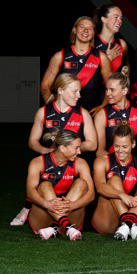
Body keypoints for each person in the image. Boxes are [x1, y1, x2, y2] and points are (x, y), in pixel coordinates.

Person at [11, 74, 98, 227]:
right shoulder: (43, 112)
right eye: (75, 91)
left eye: (79, 91)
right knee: (42, 185)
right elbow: (32, 141)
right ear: (61, 91)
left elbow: (92, 144)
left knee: (82, 185)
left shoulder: (82, 113)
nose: (79, 95)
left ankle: (57, 222)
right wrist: (46, 151)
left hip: (72, 164)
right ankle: (28, 207)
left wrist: (69, 148)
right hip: (52, 164)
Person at [91, 123, 137, 240]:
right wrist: (122, 196)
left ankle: (127, 224)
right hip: (108, 222)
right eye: (117, 146)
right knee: (114, 180)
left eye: (125, 146)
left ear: (133, 144)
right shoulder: (102, 161)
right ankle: (128, 223)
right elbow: (100, 187)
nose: (120, 150)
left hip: (135, 219)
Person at [25, 129, 94, 241]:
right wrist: (46, 204)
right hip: (43, 219)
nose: (79, 152)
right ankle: (66, 226)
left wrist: (73, 205)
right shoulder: (37, 162)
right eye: (76, 148)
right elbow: (30, 191)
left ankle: (56, 227)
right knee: (45, 185)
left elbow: (91, 194)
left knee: (82, 183)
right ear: (62, 148)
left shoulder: (80, 163)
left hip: (69, 214)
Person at [40, 16, 112, 115]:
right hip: (65, 112)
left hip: (91, 113)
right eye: (82, 27)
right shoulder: (60, 56)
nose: (86, 30)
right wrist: (54, 107)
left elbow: (111, 86)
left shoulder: (101, 58)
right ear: (74, 30)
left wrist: (102, 107)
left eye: (90, 28)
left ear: (93, 33)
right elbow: (45, 85)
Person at [94, 71, 137, 159]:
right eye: (106, 89)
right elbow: (100, 151)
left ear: (124, 91)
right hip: (115, 166)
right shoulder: (102, 115)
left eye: (112, 90)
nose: (107, 93)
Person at [93, 4, 129, 75]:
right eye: (116, 17)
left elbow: (127, 66)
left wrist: (125, 82)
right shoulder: (91, 43)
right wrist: (108, 58)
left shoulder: (122, 44)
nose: (119, 21)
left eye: (121, 18)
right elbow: (88, 75)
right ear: (104, 19)